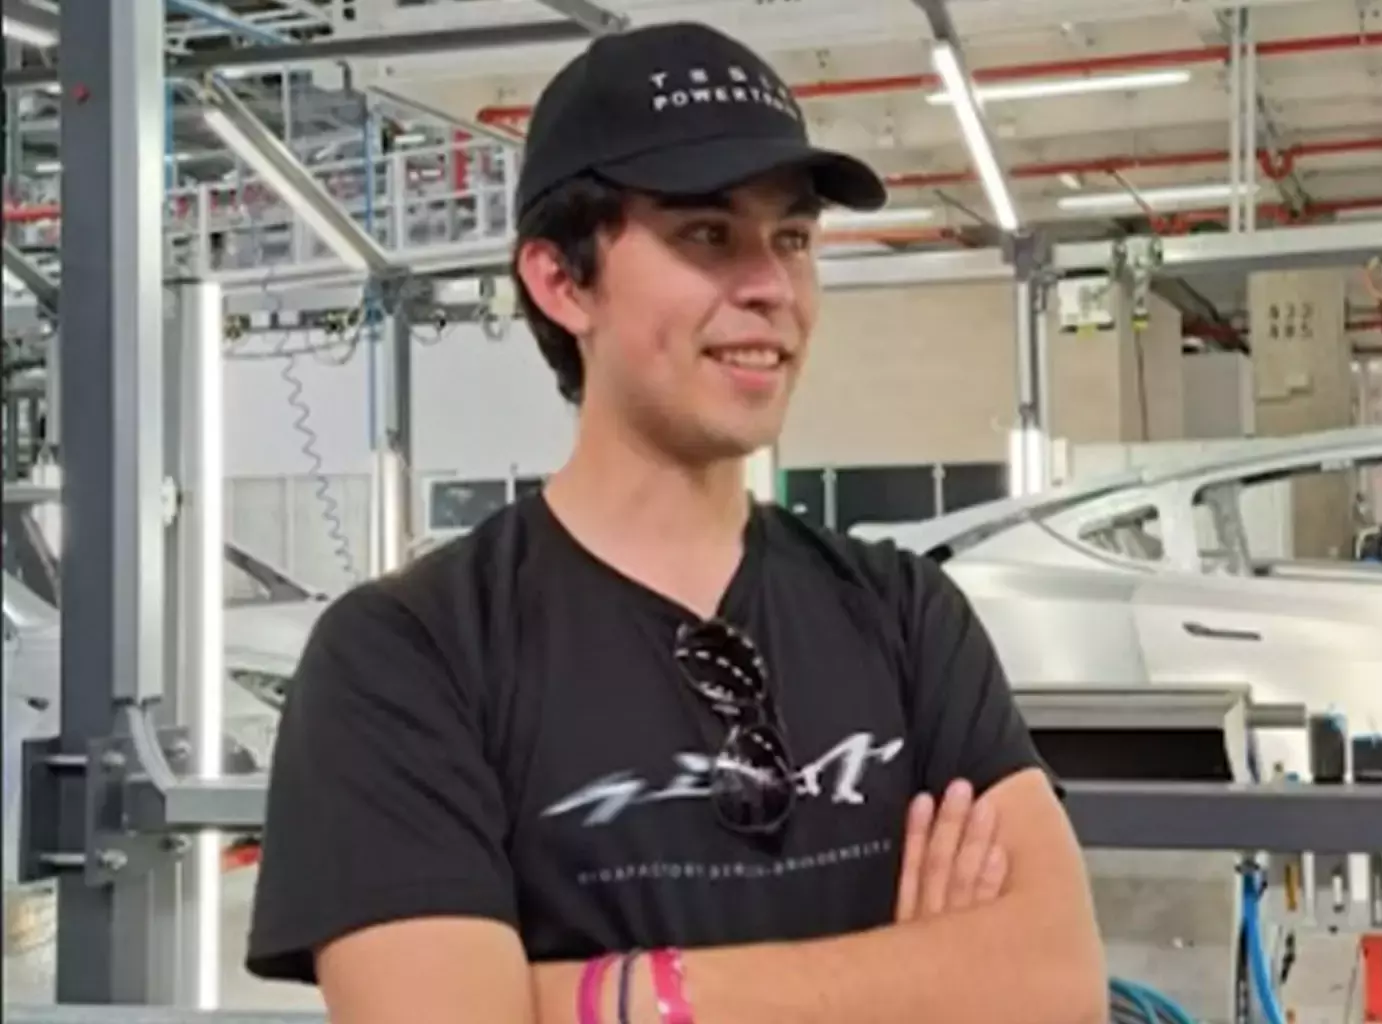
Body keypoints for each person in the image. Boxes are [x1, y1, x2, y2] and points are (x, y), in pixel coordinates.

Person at [243, 21, 1108, 1024]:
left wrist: (607, 994)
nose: (771, 287)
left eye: (792, 238)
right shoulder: (410, 657)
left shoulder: (907, 615)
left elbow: (1052, 987)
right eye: (707, 234)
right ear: (563, 281)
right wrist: (918, 975)